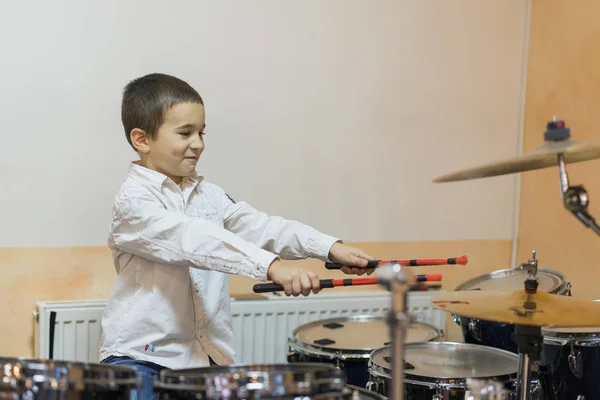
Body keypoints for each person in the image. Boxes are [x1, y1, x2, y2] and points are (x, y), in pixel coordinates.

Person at [99, 72, 375, 400]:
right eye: (185, 133)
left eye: (201, 132)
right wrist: (272, 267)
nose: (198, 144)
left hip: (207, 360)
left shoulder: (209, 195)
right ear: (142, 140)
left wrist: (329, 247)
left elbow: (263, 226)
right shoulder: (133, 200)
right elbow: (193, 239)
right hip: (142, 360)